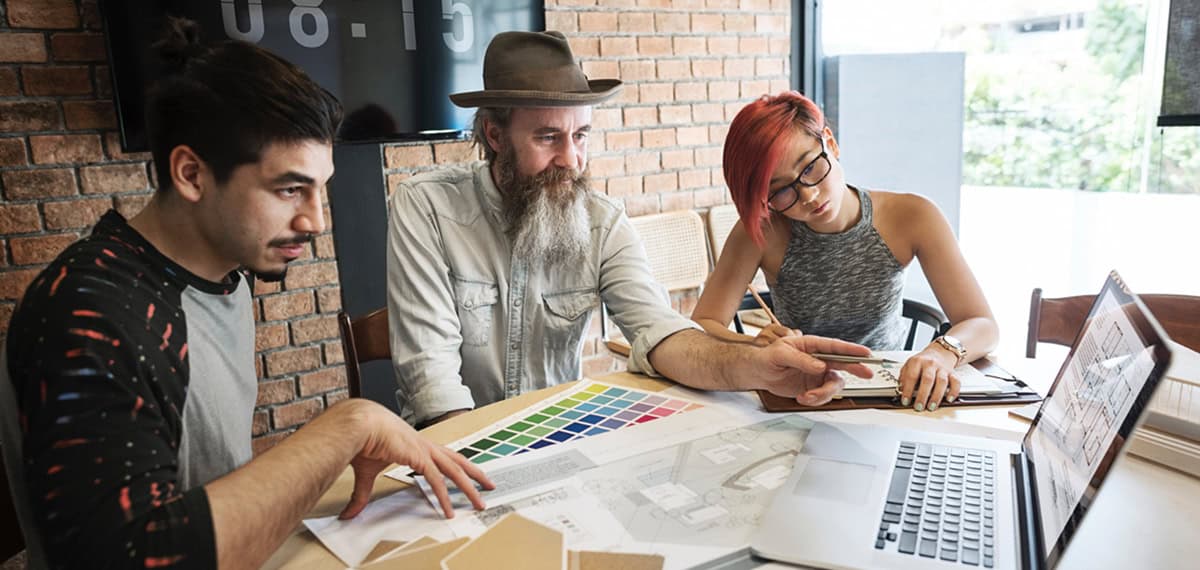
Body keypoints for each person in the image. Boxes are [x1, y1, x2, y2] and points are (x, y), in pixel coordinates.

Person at [0, 19, 491, 570]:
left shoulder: (225, 276)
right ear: (191, 173)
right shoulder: (92, 314)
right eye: (288, 189)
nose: (315, 221)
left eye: (320, 190)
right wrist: (348, 427)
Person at [386, 31, 873, 428]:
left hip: (554, 439)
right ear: (495, 136)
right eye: (548, 137)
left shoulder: (602, 221)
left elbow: (664, 335)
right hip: (451, 448)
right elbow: (435, 384)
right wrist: (482, 463)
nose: (572, 160)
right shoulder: (425, 207)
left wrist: (755, 369)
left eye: (580, 135)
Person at [691, 91, 1000, 413]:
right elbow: (703, 325)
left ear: (830, 143)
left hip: (891, 396)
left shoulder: (913, 215)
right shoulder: (761, 231)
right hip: (799, 395)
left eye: (810, 168)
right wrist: (756, 346)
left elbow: (983, 324)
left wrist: (940, 352)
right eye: (781, 191)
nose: (808, 195)